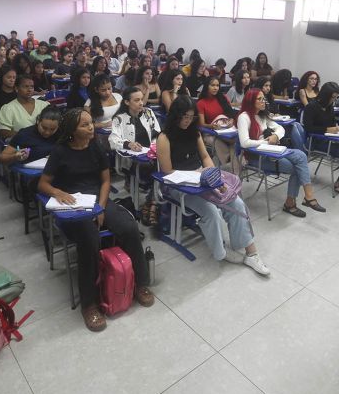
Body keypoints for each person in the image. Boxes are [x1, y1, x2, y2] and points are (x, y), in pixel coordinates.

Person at [38, 109, 153, 331]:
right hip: (73, 205)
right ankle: (89, 304)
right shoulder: (60, 152)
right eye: (84, 125)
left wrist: (100, 207)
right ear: (72, 130)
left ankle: (141, 283)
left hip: (98, 200)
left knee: (129, 227)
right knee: (89, 239)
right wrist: (58, 192)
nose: (91, 127)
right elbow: (43, 184)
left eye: (91, 123)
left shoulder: (96, 146)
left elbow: (105, 181)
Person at [157, 96, 270, 275]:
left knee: (236, 203)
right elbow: (167, 171)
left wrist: (213, 178)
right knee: (211, 211)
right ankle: (221, 253)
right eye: (184, 117)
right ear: (175, 116)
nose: (187, 121)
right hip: (178, 186)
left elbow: (205, 157)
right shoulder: (164, 138)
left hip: (201, 179)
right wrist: (198, 175)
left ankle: (251, 253)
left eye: (191, 117)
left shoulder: (194, 132)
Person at [237, 89, 326, 217]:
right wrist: (266, 142)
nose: (263, 101)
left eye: (264, 99)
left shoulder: (262, 115)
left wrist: (275, 136)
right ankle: (295, 202)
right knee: (298, 167)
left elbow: (280, 128)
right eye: (259, 99)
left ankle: (307, 196)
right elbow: (244, 143)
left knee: (301, 156)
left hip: (270, 151)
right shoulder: (244, 117)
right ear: (251, 101)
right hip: (257, 157)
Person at [109, 87, 161, 225]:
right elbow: (113, 140)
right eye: (136, 100)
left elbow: (157, 133)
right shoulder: (119, 118)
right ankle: (153, 202)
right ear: (127, 102)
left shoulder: (148, 113)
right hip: (132, 159)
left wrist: (154, 146)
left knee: (163, 165)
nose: (141, 103)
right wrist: (128, 144)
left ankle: (151, 202)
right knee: (156, 168)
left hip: (151, 154)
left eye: (141, 99)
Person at [196, 76, 239, 173]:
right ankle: (232, 167)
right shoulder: (201, 103)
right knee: (221, 142)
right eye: (212, 85)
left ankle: (232, 168)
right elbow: (202, 124)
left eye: (217, 85)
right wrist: (211, 126)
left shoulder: (222, 98)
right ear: (207, 86)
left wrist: (231, 120)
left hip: (226, 130)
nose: (215, 88)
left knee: (232, 141)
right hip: (210, 132)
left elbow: (231, 114)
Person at [0, 74, 49, 139]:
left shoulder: (44, 105)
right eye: (25, 87)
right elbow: (4, 132)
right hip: (21, 142)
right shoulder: (8, 108)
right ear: (16, 89)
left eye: (32, 87)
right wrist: (26, 136)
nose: (29, 90)